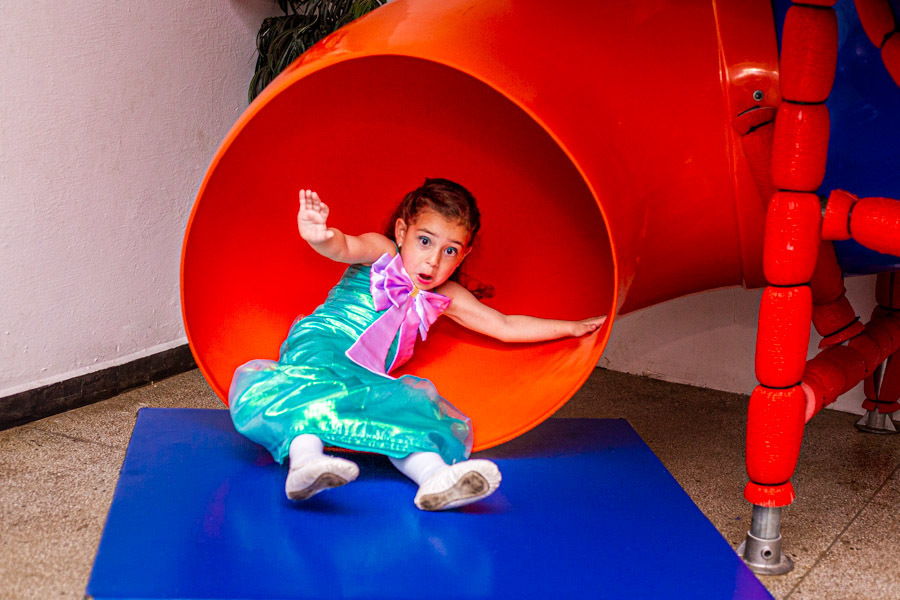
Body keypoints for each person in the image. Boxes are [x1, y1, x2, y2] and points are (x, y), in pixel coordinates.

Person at [229, 178, 606, 511]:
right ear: (401, 232)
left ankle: (435, 478)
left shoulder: (447, 295)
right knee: (312, 385)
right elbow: (344, 246)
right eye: (424, 241)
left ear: (465, 253)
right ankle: (305, 463)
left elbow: (504, 326)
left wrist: (572, 328)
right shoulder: (383, 254)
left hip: (367, 374)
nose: (433, 260)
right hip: (324, 341)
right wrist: (320, 236)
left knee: (408, 409)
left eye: (450, 251)